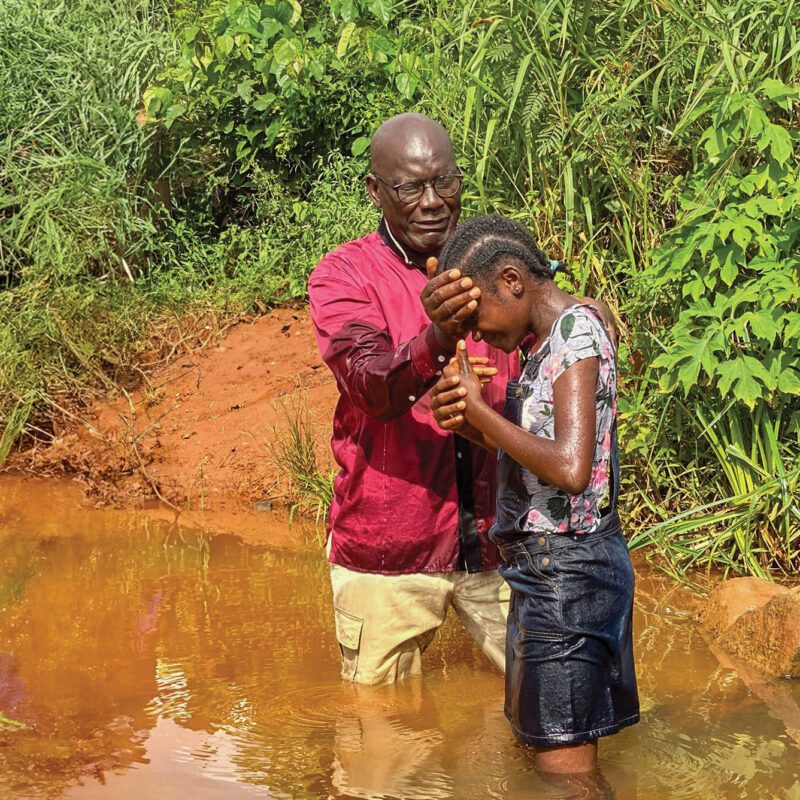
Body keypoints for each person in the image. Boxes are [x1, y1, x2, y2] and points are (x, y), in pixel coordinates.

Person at [308, 113, 517, 685]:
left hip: (504, 541)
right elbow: (370, 386)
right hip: (388, 549)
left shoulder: (500, 262)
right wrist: (436, 338)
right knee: (381, 744)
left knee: (546, 714)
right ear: (376, 191)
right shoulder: (344, 275)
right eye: (410, 187)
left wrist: (585, 312)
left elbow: (552, 332)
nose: (432, 202)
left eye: (444, 182)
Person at [429, 215, 639, 775]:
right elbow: (540, 458)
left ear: (512, 280)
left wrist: (479, 412)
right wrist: (469, 425)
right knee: (542, 756)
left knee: (565, 777)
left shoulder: (575, 334)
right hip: (545, 572)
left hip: (568, 575)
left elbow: (571, 469)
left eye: (477, 316)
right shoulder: (545, 340)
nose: (475, 336)